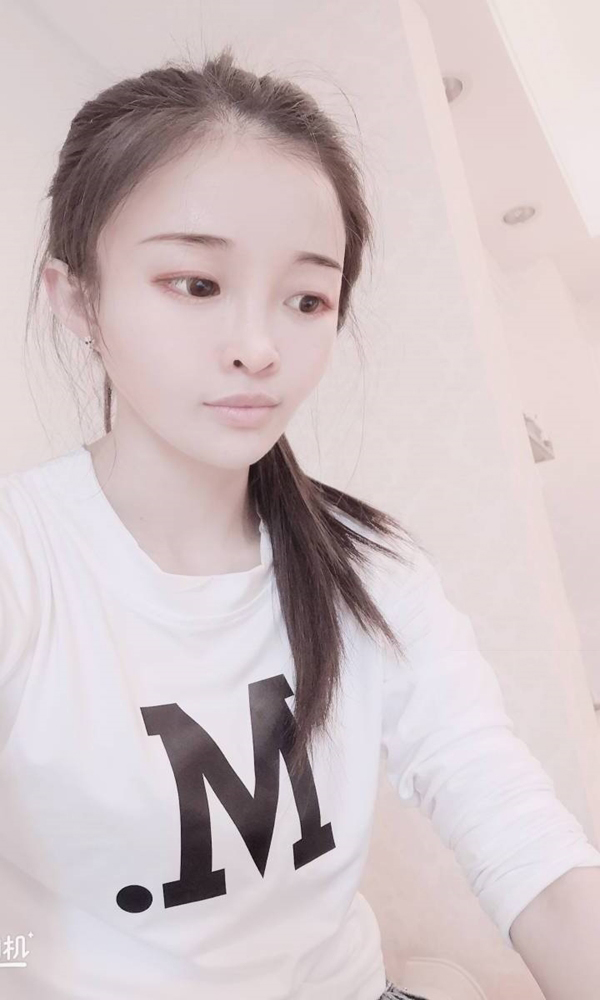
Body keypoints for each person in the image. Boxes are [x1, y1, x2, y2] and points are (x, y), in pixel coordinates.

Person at [2, 45, 599, 1000]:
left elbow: (520, 836)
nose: (258, 346)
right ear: (77, 298)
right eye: (196, 284)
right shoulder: (25, 562)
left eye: (307, 298)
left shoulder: (371, 568)